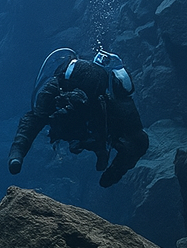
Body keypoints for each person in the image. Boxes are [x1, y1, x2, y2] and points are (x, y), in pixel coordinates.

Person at [8, 48, 148, 188]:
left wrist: (17, 152)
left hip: (95, 126)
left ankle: (104, 164)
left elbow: (34, 120)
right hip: (91, 127)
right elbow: (34, 118)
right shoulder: (56, 88)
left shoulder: (114, 106)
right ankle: (104, 166)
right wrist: (17, 153)